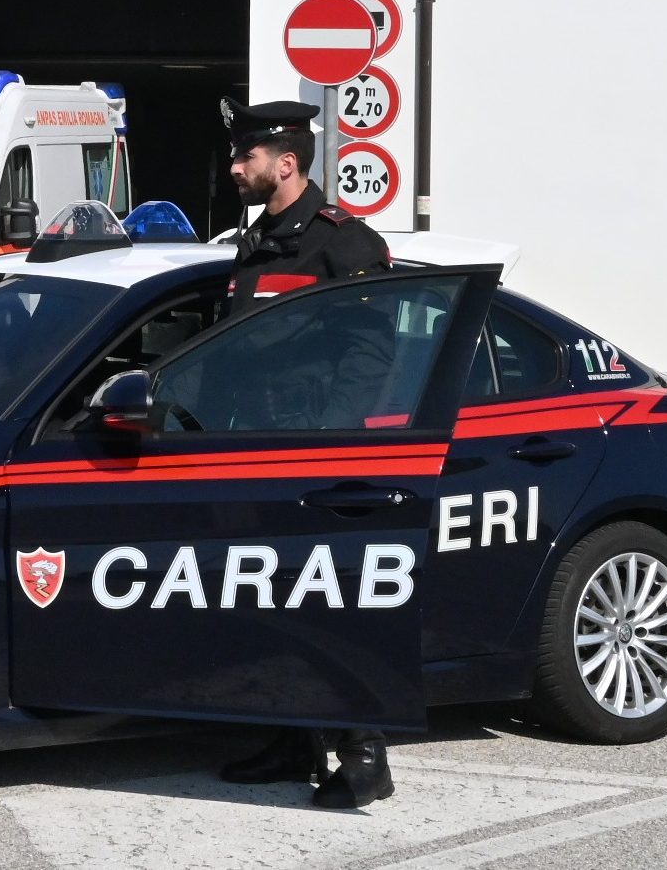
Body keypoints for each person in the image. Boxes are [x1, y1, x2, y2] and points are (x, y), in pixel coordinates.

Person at [213, 95, 397, 810]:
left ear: (284, 163)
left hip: (314, 459)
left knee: (328, 607)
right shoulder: (256, 240)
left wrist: (327, 449)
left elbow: (370, 359)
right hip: (250, 455)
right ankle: (293, 740)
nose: (235, 167)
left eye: (245, 156)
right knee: (270, 602)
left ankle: (363, 753)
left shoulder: (342, 244)